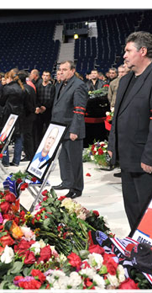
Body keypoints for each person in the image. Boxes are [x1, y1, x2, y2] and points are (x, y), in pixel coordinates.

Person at [108, 31, 152, 231]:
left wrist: (150, 158)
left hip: (146, 162)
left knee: (148, 213)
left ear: (142, 51)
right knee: (132, 210)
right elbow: (117, 116)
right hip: (127, 159)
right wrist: (113, 146)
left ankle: (151, 255)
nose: (125, 55)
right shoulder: (126, 80)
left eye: (128, 51)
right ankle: (137, 249)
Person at [52, 61, 88, 199]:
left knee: (74, 161)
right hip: (60, 128)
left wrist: (75, 130)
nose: (61, 72)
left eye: (65, 69)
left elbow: (79, 110)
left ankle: (76, 188)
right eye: (60, 69)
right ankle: (66, 181)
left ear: (72, 71)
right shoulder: (61, 84)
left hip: (71, 129)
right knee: (63, 159)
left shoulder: (79, 85)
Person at [34, 71, 56, 148]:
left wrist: (45, 107)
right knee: (38, 130)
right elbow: (35, 98)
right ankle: (38, 146)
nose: (46, 77)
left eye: (47, 75)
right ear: (42, 76)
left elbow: (52, 99)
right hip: (39, 111)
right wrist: (38, 106)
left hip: (48, 111)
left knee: (48, 129)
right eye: (44, 75)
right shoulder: (37, 86)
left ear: (50, 77)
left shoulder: (52, 87)